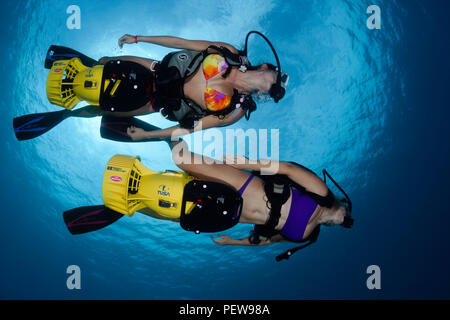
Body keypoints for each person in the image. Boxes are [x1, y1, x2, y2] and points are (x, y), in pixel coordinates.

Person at [64, 139, 352, 261]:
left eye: (345, 220)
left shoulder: (308, 236)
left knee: (177, 213)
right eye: (346, 211)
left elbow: (268, 241)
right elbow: (288, 169)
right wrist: (247, 162)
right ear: (343, 203)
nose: (344, 217)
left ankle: (130, 206)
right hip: (245, 184)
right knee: (181, 160)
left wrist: (234, 243)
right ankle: (169, 135)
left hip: (231, 217)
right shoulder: (323, 195)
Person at [13, 32, 289, 142]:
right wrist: (139, 37)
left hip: (155, 104)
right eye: (278, 75)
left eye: (277, 87)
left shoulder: (236, 111)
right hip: (153, 67)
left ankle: (69, 113)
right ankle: (80, 63)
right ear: (267, 67)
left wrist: (148, 137)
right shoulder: (229, 52)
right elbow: (183, 43)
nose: (276, 83)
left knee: (101, 108)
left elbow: (191, 128)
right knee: (106, 63)